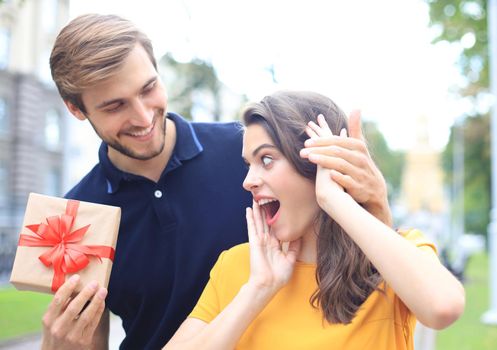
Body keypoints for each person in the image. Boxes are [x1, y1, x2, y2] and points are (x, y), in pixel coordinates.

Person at [42, 14, 393, 350]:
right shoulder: (76, 219)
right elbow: (89, 339)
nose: (143, 116)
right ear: (76, 108)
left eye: (148, 89)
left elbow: (350, 256)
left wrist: (375, 199)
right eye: (115, 106)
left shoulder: (250, 156)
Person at [165, 91, 465, 350]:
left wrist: (334, 198)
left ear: (319, 165)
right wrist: (259, 289)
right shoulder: (238, 267)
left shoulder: (390, 258)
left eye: (266, 160)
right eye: (248, 164)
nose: (248, 181)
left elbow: (443, 308)